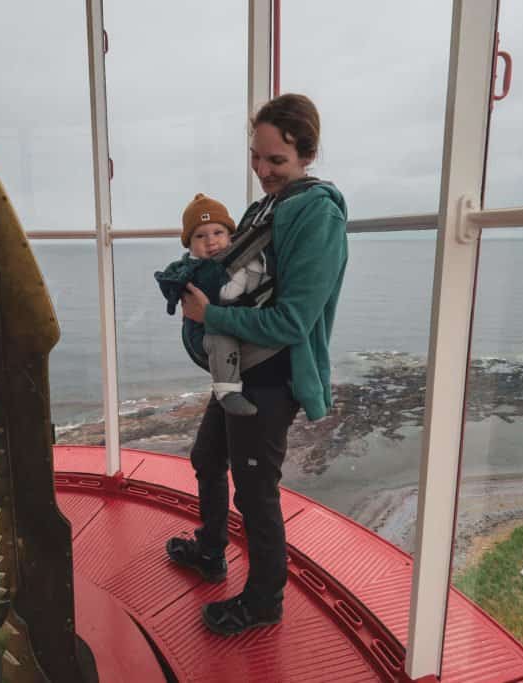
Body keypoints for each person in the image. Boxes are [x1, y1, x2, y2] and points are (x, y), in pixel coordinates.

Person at [164, 93, 349, 636]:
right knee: (205, 457)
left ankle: (265, 600)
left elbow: (293, 321)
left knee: (255, 491)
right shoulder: (269, 207)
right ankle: (212, 550)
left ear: (307, 155)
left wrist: (213, 315)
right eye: (257, 157)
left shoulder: (318, 214)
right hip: (241, 369)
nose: (263, 171)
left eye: (277, 161)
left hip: (270, 378)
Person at [153, 193, 281, 417]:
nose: (210, 241)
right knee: (221, 339)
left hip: (219, 322)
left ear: (231, 236)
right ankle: (227, 391)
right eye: (200, 236)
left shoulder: (229, 261)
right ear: (189, 244)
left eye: (218, 233)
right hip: (202, 333)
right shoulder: (197, 268)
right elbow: (224, 293)